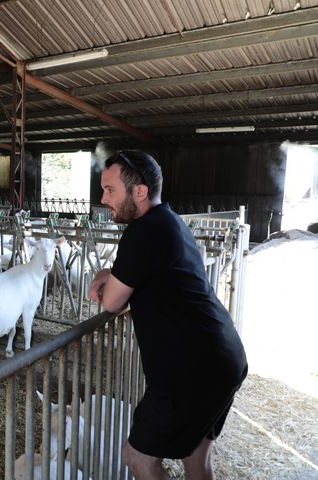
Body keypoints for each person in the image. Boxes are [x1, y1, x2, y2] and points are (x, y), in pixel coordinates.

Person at [88, 150, 248, 480]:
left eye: (110, 190)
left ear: (140, 191)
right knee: (195, 457)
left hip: (190, 372)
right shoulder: (169, 221)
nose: (104, 198)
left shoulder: (143, 231)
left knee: (138, 458)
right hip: (223, 358)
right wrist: (112, 272)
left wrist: (105, 281)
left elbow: (111, 302)